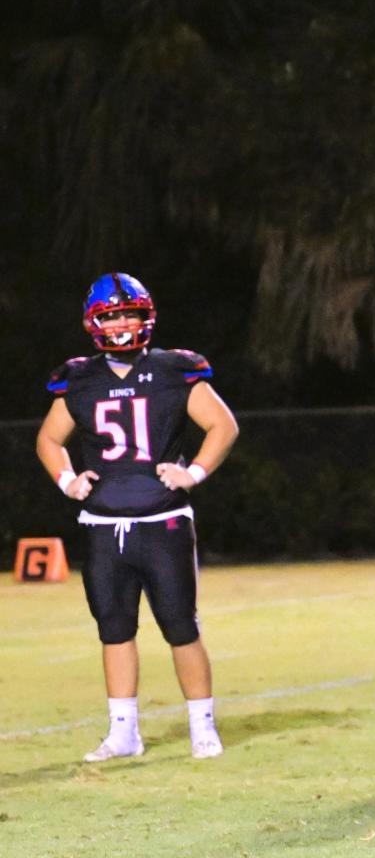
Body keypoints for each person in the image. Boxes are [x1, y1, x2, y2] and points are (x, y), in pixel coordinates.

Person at [36, 272, 239, 761]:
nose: (123, 323)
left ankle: (202, 726)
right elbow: (48, 439)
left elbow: (222, 425)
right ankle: (123, 732)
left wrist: (194, 471)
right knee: (114, 626)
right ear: (94, 321)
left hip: (162, 519)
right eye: (112, 315)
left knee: (180, 624)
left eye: (129, 313)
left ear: (147, 316)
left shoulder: (174, 370)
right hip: (103, 525)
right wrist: (68, 481)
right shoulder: (79, 378)